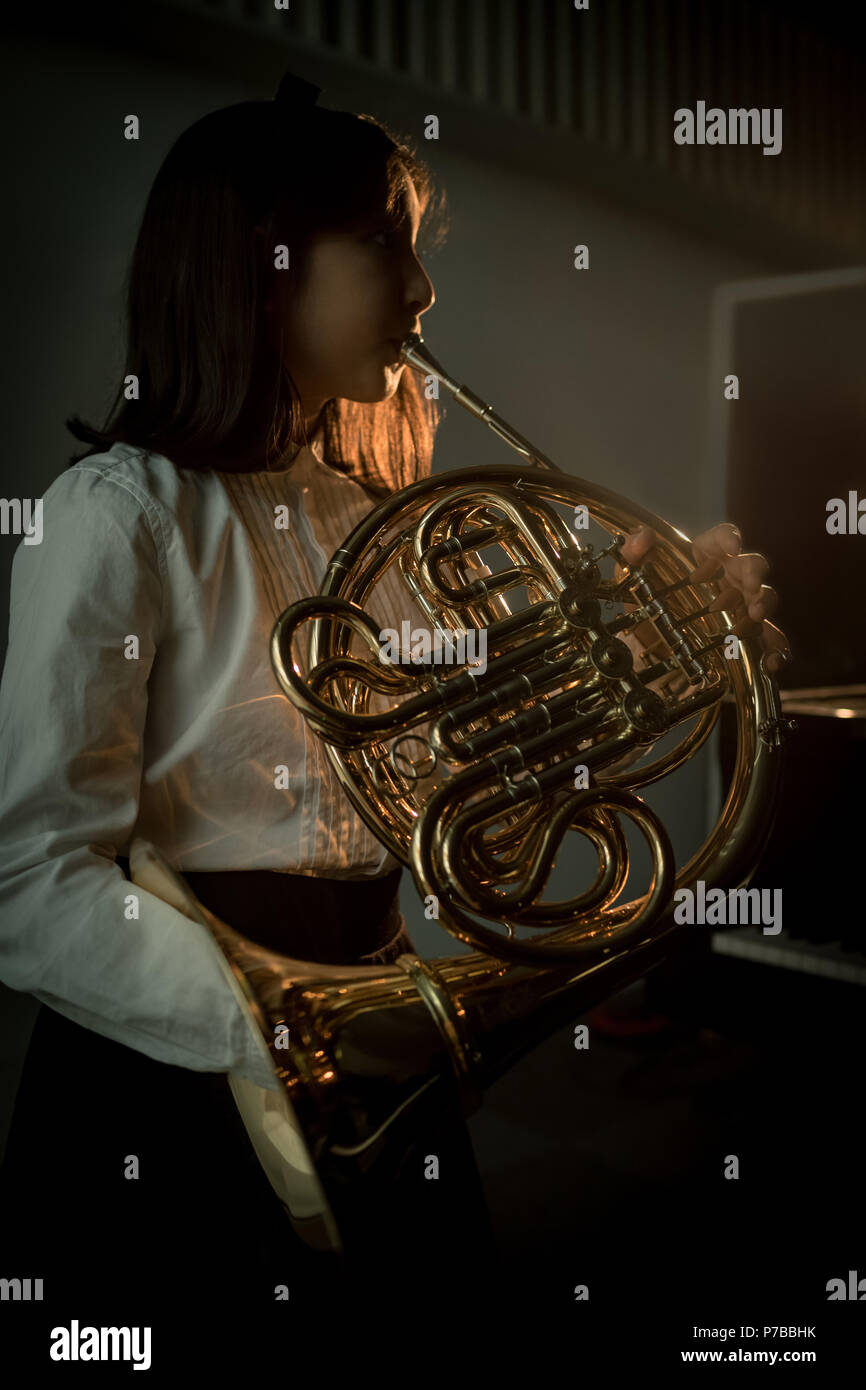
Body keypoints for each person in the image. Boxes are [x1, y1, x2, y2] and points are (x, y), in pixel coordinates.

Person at [0, 71, 789, 1342]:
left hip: (386, 1031)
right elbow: (25, 874)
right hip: (174, 1072)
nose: (421, 295)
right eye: (383, 249)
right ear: (260, 263)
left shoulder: (367, 519)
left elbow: (452, 790)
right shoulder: (117, 515)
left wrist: (664, 640)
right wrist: (281, 1026)